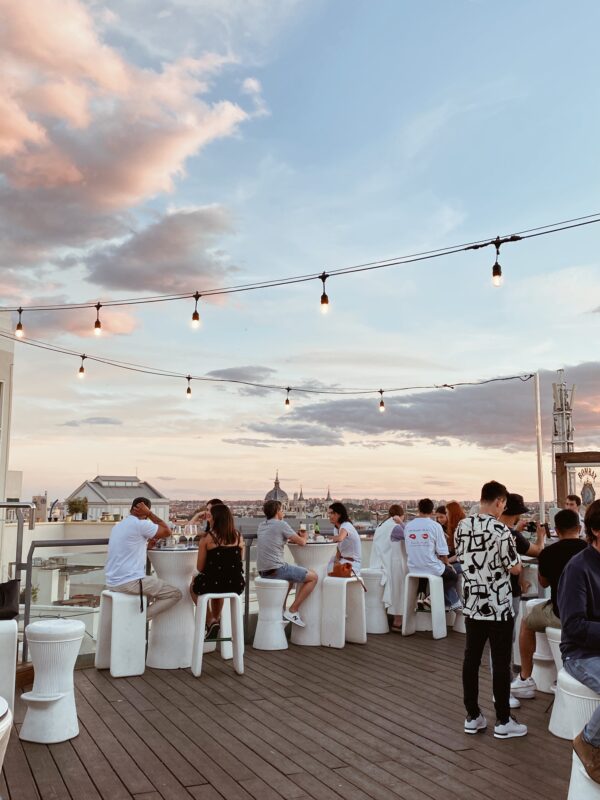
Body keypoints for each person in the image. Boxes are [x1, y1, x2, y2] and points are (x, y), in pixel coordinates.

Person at [456, 480, 526, 740]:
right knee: (499, 661)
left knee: (470, 660)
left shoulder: (462, 526)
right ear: (499, 502)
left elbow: (463, 559)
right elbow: (514, 568)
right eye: (504, 505)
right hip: (498, 606)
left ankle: (472, 716)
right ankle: (503, 720)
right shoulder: (501, 530)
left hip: (473, 604)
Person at [511, 509, 585, 699]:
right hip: (588, 614)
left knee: (527, 622)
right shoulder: (590, 551)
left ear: (557, 531)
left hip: (561, 613)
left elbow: (543, 583)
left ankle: (525, 676)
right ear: (579, 528)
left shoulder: (548, 553)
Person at [558, 501, 600, 782]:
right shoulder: (578, 568)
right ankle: (589, 741)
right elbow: (573, 626)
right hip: (581, 653)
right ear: (596, 530)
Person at [499, 492, 546, 707]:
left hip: (492, 595)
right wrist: (540, 536)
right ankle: (506, 685)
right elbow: (537, 551)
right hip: (510, 593)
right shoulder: (512, 536)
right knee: (505, 640)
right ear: (517, 513)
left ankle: (503, 684)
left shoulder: (500, 531)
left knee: (497, 642)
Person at [104, 497, 182, 619]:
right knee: (175, 594)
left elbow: (129, 550)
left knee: (150, 594)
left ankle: (136, 617)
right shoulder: (140, 524)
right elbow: (167, 532)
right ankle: (139, 619)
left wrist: (147, 546)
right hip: (130, 582)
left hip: (112, 581)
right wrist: (149, 514)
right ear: (144, 510)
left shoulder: (118, 526)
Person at [256, 499, 317, 626]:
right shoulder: (281, 524)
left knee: (290, 579)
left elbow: (274, 538)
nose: (283, 512)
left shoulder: (261, 525)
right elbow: (302, 542)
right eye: (281, 510)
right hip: (277, 569)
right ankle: (293, 610)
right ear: (277, 511)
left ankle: (281, 609)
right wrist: (304, 536)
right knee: (314, 577)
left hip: (263, 571)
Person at [190, 503, 245, 640]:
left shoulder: (207, 538)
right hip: (236, 585)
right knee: (218, 586)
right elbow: (239, 561)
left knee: (192, 588)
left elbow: (200, 567)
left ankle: (211, 621)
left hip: (213, 584)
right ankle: (216, 618)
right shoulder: (239, 537)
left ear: (214, 519)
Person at [404, 498, 461, 612]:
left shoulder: (408, 526)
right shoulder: (435, 526)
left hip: (413, 567)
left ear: (418, 509)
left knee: (430, 569)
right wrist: (447, 563)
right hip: (430, 567)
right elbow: (442, 551)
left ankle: (422, 596)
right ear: (432, 511)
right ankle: (434, 598)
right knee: (452, 575)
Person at [327, 501, 362, 574]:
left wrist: (325, 537)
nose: (329, 516)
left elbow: (340, 538)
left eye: (331, 513)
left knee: (328, 571)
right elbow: (339, 550)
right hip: (343, 561)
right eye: (329, 513)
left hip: (352, 564)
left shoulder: (346, 525)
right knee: (324, 565)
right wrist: (336, 561)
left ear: (338, 514)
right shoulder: (336, 529)